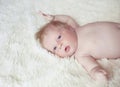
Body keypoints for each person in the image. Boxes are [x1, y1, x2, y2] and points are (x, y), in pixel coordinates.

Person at [36, 11, 120, 81]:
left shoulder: (76, 28)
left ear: (68, 28)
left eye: (59, 37)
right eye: (55, 48)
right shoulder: (80, 54)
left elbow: (68, 19)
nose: (59, 45)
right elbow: (91, 67)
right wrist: (96, 72)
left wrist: (54, 18)